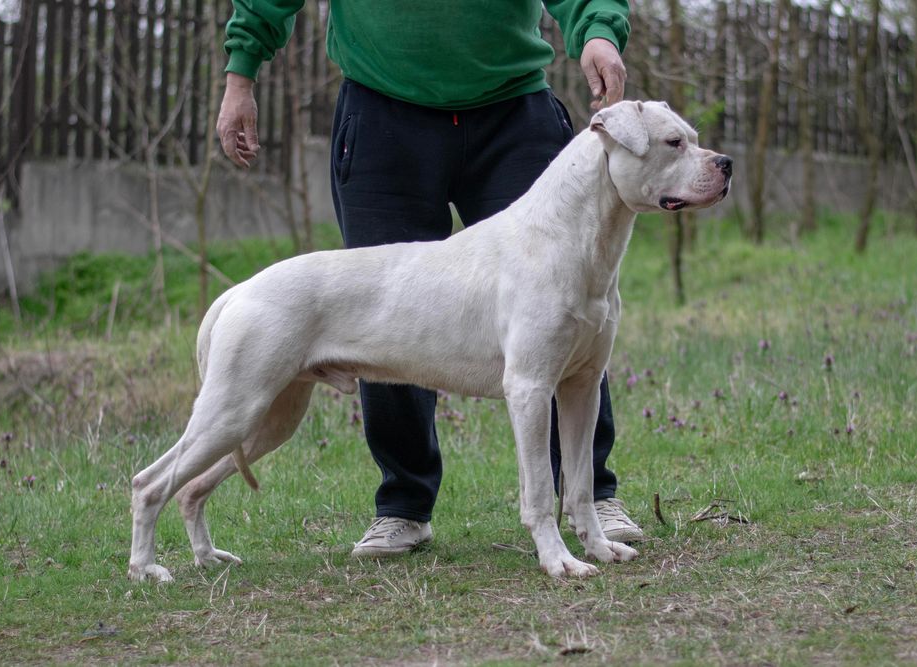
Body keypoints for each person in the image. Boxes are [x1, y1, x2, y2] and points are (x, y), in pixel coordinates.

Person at [217, 0, 645, 557]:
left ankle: (590, 496)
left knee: (565, 305)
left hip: (512, 109)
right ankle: (404, 506)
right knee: (380, 314)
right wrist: (240, 72)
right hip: (382, 112)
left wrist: (598, 33)